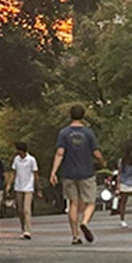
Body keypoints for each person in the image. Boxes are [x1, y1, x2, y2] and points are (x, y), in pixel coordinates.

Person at [49, 104, 104, 245]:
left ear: (70, 115)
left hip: (69, 173)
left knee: (72, 203)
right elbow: (95, 152)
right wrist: (102, 160)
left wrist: (54, 171)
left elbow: (60, 153)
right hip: (86, 172)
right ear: (83, 115)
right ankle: (84, 222)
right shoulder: (88, 133)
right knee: (90, 202)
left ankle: (75, 235)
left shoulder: (64, 133)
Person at [11, 142, 41, 239]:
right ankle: (23, 227)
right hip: (18, 186)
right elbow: (14, 172)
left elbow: (35, 174)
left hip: (28, 187)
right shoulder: (16, 159)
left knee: (26, 210)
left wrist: (38, 188)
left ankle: (28, 230)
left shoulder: (31, 160)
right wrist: (9, 185)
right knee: (20, 210)